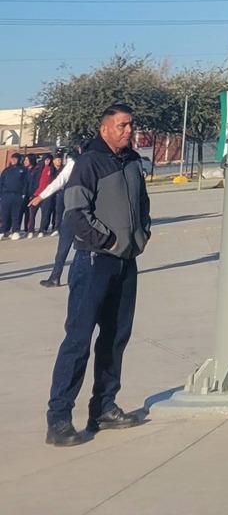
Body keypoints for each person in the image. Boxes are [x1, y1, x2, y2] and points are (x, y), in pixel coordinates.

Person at [45, 102, 150, 446]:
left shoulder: (132, 161)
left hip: (126, 263)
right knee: (78, 340)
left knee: (116, 337)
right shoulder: (89, 162)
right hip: (94, 263)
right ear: (105, 129)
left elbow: (143, 204)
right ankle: (59, 419)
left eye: (130, 124)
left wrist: (141, 235)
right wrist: (106, 240)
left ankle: (103, 408)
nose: (129, 130)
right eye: (122, 125)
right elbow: (75, 211)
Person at [37, 153, 77, 285]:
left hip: (74, 211)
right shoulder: (98, 162)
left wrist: (41, 196)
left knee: (64, 248)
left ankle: (56, 276)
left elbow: (60, 181)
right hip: (87, 211)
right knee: (85, 250)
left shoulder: (75, 163)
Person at [1, 151, 28, 238]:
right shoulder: (6, 171)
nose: (13, 160)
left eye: (15, 159)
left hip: (17, 195)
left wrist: (24, 193)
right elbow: (1, 183)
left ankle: (15, 231)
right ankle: (3, 231)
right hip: (6, 195)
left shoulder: (23, 170)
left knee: (16, 214)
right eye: (12, 158)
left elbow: (26, 183)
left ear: (19, 160)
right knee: (4, 214)